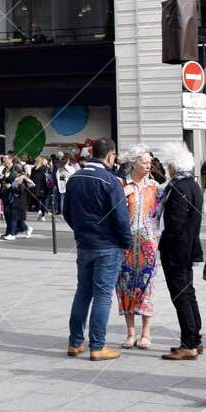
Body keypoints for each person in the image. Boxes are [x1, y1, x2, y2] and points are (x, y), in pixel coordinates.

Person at [62, 138, 131, 360]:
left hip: (85, 244)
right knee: (102, 295)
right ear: (110, 156)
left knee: (83, 292)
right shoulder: (110, 181)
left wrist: (81, 231)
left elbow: (67, 213)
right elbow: (121, 218)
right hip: (108, 245)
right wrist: (126, 242)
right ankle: (98, 346)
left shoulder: (75, 178)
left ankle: (75, 343)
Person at [157, 144, 206, 361]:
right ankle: (195, 339)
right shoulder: (193, 184)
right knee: (189, 293)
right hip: (189, 247)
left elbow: (175, 224)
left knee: (181, 296)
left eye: (169, 165)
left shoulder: (177, 187)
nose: (167, 169)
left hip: (176, 250)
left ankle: (189, 343)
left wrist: (164, 244)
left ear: (175, 165)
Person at [116, 148, 161, 349]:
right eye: (144, 162)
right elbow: (112, 212)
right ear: (133, 163)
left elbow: (159, 215)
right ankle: (130, 333)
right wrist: (120, 198)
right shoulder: (121, 184)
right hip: (125, 244)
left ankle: (146, 332)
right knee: (125, 285)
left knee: (147, 286)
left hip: (148, 243)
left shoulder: (155, 186)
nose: (148, 166)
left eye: (149, 162)